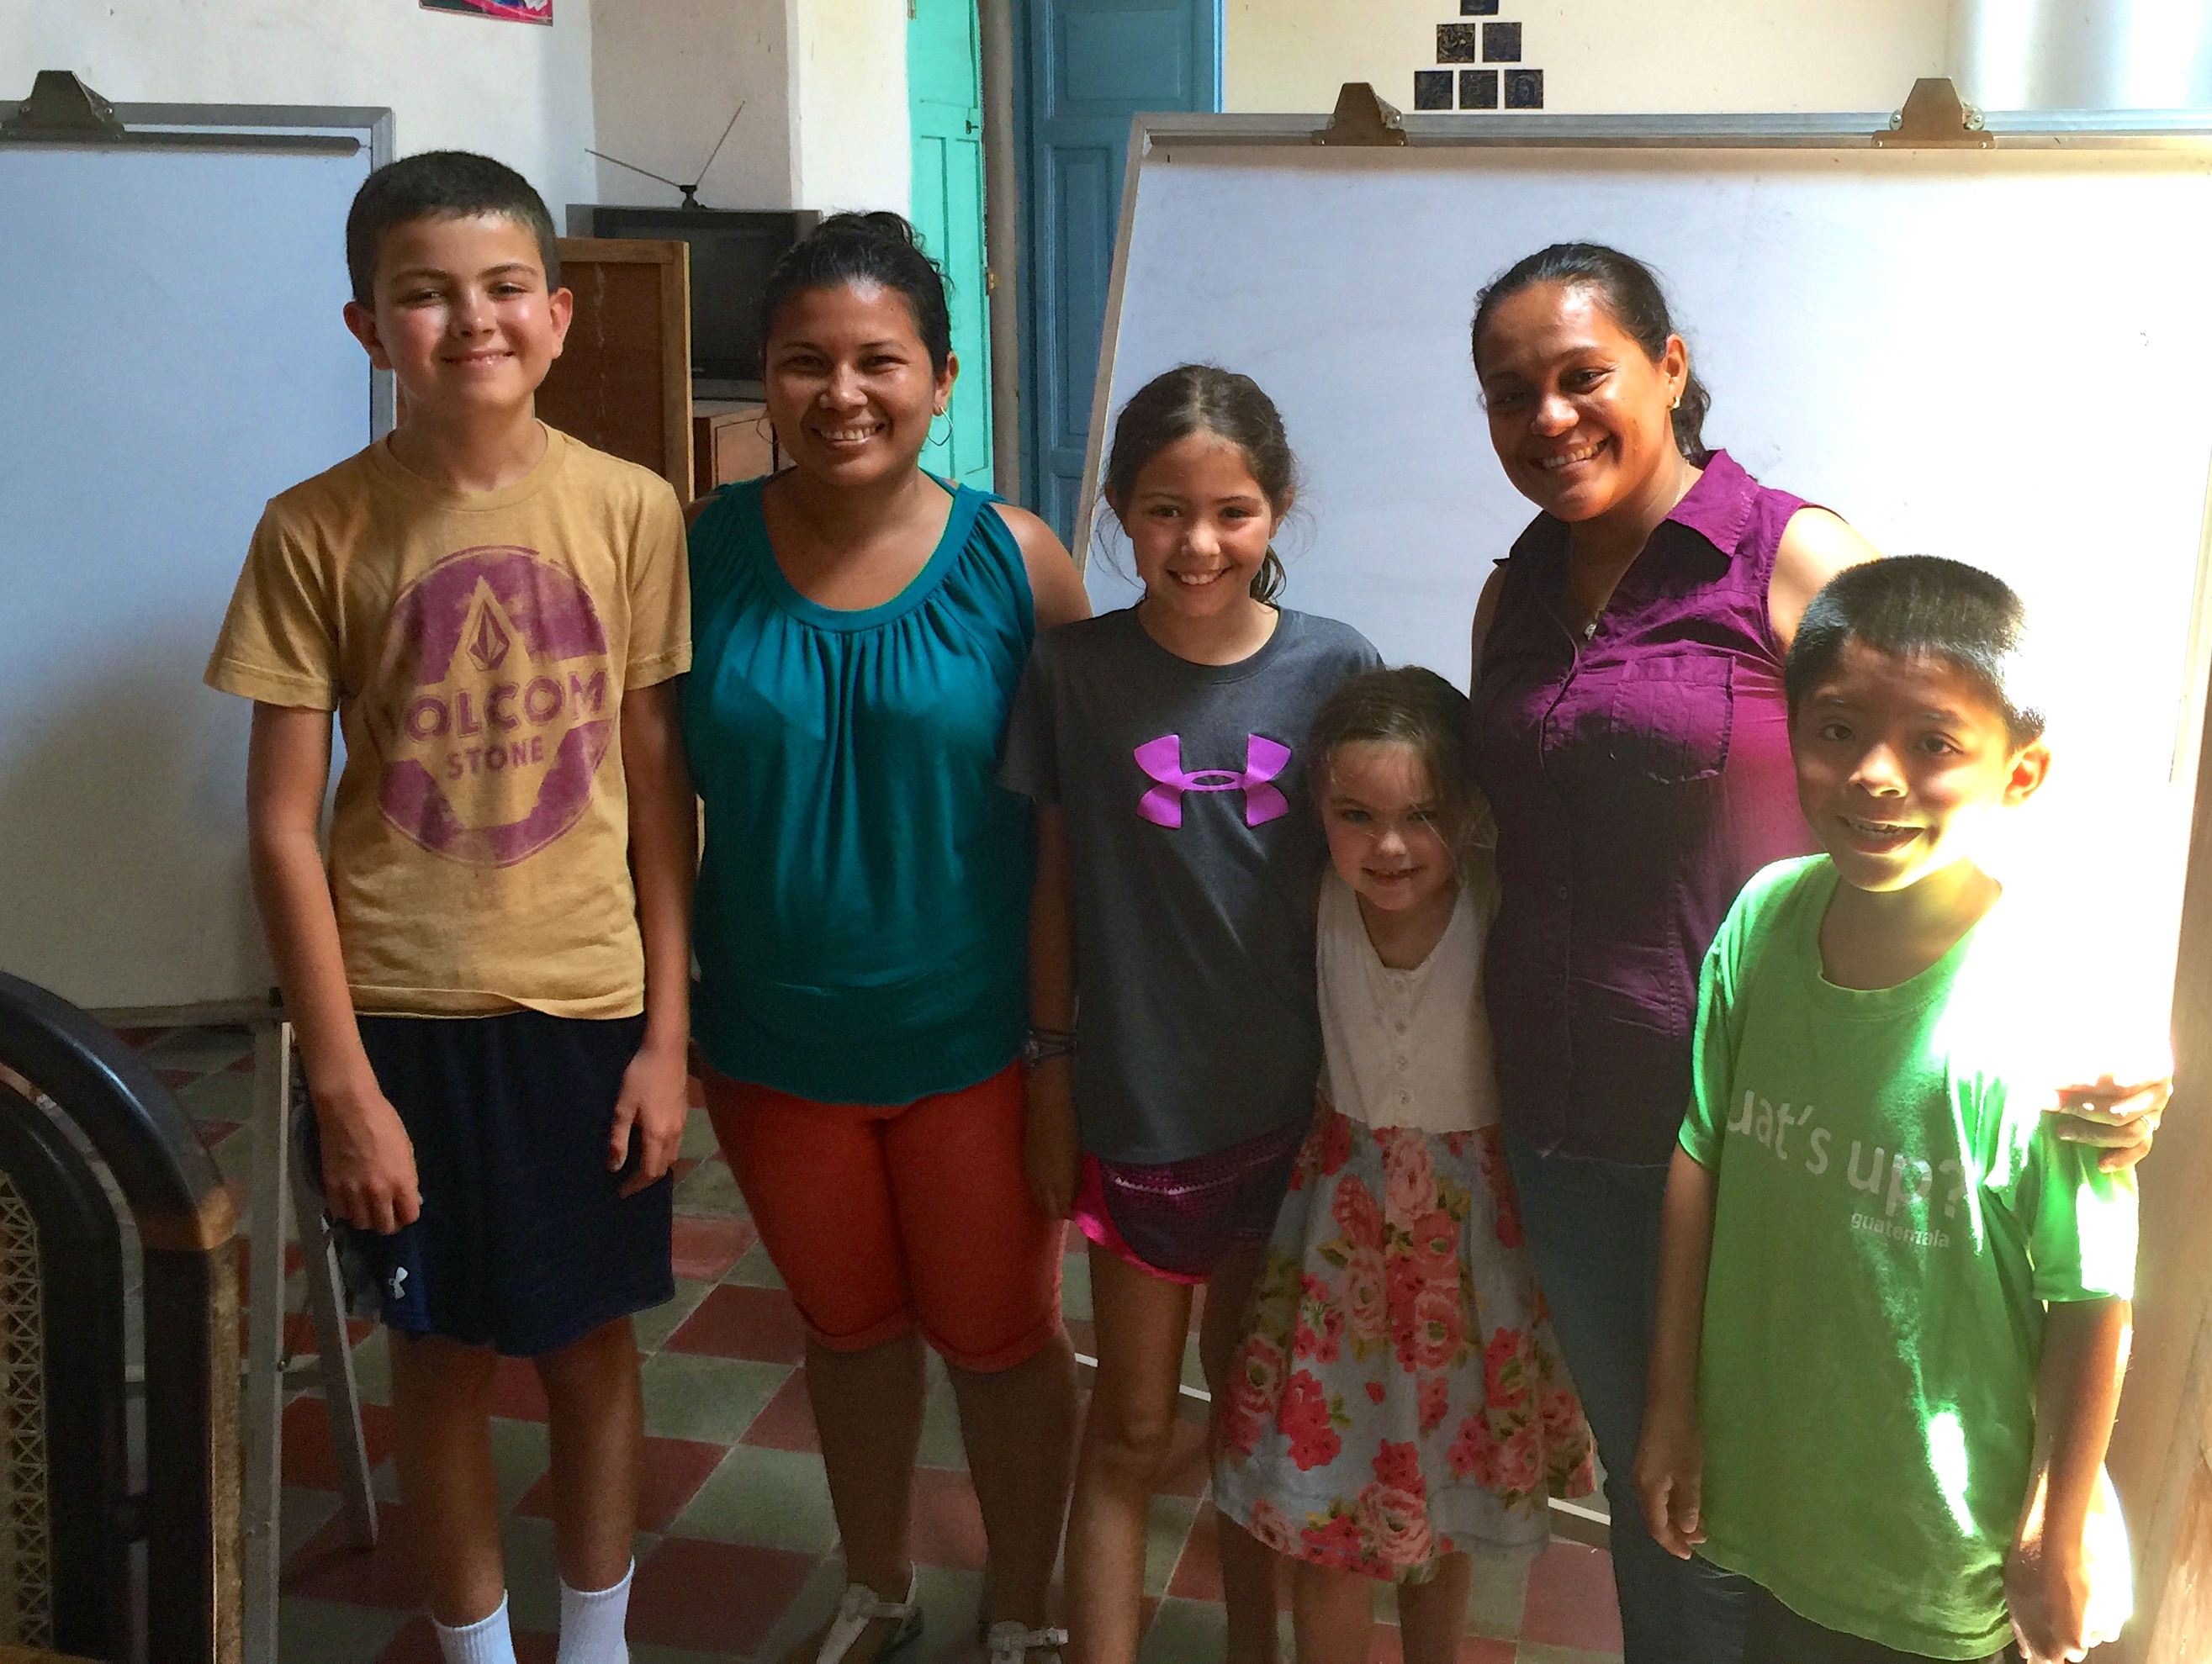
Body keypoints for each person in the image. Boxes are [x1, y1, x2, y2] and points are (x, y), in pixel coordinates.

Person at [1463, 242, 2167, 1663]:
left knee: (1774, 1522)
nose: (1549, 415)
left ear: (1667, 368)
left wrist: (2109, 1025)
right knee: (1657, 1489)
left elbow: (1954, 752)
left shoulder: (1788, 552)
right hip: (1573, 1127)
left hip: (1792, 1147)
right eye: (1510, 391)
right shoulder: (1515, 591)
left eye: (1582, 373)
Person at [206, 151, 693, 1664]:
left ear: (554, 316)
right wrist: (343, 1082)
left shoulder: (633, 508)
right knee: (439, 1351)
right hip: (403, 1015)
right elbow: (282, 824)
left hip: (588, 1005)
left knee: (590, 1345)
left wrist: (670, 1032)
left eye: (500, 289)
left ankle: (595, 1641)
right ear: (369, 328)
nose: (467, 320)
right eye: (425, 294)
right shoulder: (315, 528)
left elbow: (660, 793)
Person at [682, 212, 1091, 1664]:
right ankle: (879, 1583)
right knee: (849, 1326)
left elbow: (1074, 831)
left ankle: (1028, 1599)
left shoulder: (1018, 564)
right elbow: (652, 810)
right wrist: (666, 1020)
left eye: (878, 360)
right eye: (804, 362)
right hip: (773, 1040)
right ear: (765, 377)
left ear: (942, 375)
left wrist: (1060, 1052)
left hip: (977, 1039)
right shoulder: (695, 554)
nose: (840, 393)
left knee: (999, 1335)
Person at [1634, 557, 2135, 1664]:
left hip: (1933, 1542)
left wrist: (2054, 1523)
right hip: (1770, 1491)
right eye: (1836, 728)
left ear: (2021, 770)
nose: (1871, 774)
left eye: (1932, 744)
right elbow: (1698, 1155)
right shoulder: (1763, 919)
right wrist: (1670, 1401)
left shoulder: (2056, 1012)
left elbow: (2089, 1290)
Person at [1000, 364, 1381, 1664]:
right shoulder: (1074, 673)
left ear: (1277, 508)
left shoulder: (1338, 668)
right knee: (1133, 1431)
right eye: (1163, 511)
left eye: (1231, 510)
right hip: (1138, 1109)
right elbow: (1049, 887)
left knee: (1258, 1426)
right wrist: (1048, 1073)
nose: (1198, 542)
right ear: (1115, 509)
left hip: (1295, 1114)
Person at [1212, 667, 1597, 1664]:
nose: (1389, 845)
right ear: (1318, 814)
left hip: (1471, 1251)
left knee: (1442, 1515)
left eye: (1420, 814)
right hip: (1338, 1242)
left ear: (1465, 811)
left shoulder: (1498, 903)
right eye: (1356, 814)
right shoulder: (1317, 905)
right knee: (1328, 1530)